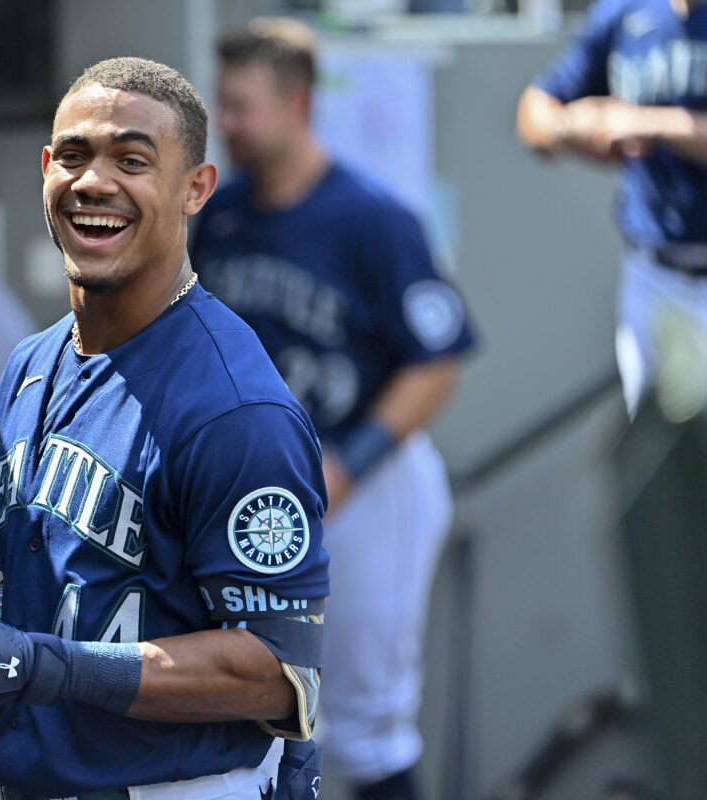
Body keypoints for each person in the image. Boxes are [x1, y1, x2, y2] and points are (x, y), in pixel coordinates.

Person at [0, 55, 331, 800]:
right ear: (44, 170)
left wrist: (42, 666)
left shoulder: (236, 410)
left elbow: (276, 674)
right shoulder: (30, 366)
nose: (95, 182)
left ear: (196, 188)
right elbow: (54, 576)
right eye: (74, 156)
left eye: (133, 159)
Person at [190, 19, 477, 800]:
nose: (233, 124)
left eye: (245, 106)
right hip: (264, 493)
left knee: (366, 725)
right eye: (227, 104)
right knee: (258, 712)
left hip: (367, 484)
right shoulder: (221, 214)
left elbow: (436, 364)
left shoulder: (373, 218)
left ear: (298, 102)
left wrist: (346, 467)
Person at [518, 0, 707, 415]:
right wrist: (572, 128)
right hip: (655, 272)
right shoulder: (625, 12)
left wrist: (645, 122)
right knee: (664, 451)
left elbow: (635, 122)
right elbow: (534, 112)